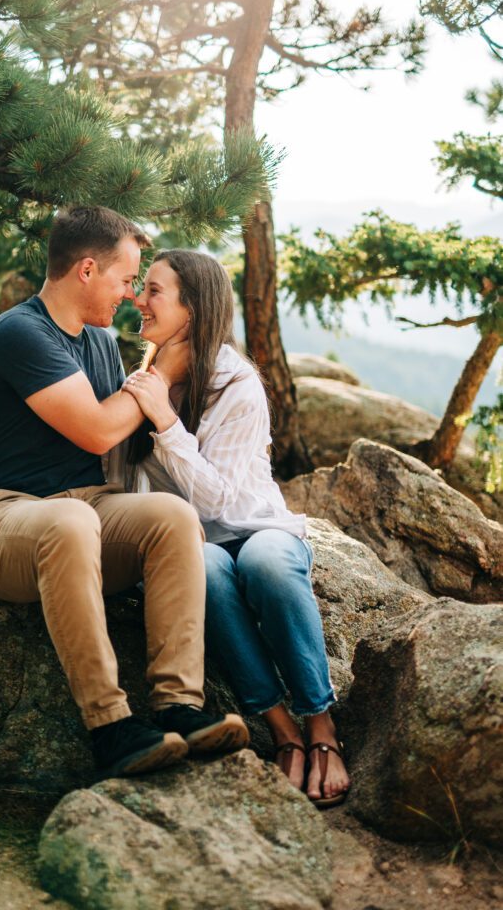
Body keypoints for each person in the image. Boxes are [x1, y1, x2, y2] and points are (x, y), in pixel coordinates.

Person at [0, 208, 249, 780]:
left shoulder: (98, 341)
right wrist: (157, 375)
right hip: (1, 521)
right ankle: (110, 727)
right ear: (87, 270)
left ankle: (179, 707)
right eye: (125, 279)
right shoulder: (19, 332)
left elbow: (126, 431)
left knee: (170, 516)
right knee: (70, 521)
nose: (131, 294)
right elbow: (96, 427)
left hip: (88, 508)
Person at [122, 249, 351, 807]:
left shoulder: (237, 382)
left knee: (265, 563)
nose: (137, 300)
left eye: (153, 290)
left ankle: (321, 725)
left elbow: (220, 498)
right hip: (190, 539)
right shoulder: (144, 376)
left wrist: (166, 422)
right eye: (140, 287)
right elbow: (126, 478)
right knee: (202, 568)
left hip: (254, 526)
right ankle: (282, 730)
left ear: (193, 310)